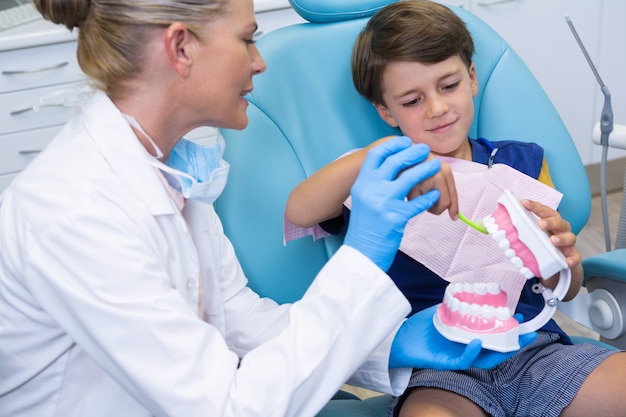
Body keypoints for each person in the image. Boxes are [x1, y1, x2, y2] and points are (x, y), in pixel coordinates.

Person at [0, 0, 534, 416]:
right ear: (181, 48)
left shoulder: (176, 173)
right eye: (247, 39)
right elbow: (230, 406)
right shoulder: (77, 213)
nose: (259, 62)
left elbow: (245, 322)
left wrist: (390, 348)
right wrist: (364, 253)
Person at [285, 1, 626, 416]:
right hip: (437, 367)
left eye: (448, 86)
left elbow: (565, 288)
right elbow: (300, 210)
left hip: (535, 350)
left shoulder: (522, 164)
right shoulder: (378, 174)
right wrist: (372, 158)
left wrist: (566, 259)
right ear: (385, 112)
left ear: (472, 79)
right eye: (412, 100)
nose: (437, 108)